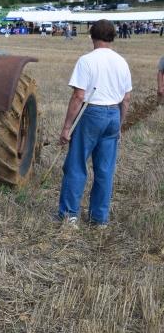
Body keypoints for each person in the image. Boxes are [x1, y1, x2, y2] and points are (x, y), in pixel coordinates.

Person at [57, 19, 132, 229]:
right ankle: (99, 219)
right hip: (113, 115)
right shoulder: (121, 62)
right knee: (105, 170)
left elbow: (79, 96)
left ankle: (70, 215)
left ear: (92, 36)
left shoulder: (86, 60)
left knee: (76, 164)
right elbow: (126, 98)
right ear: (113, 37)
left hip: (91, 113)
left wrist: (66, 128)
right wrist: (119, 125)